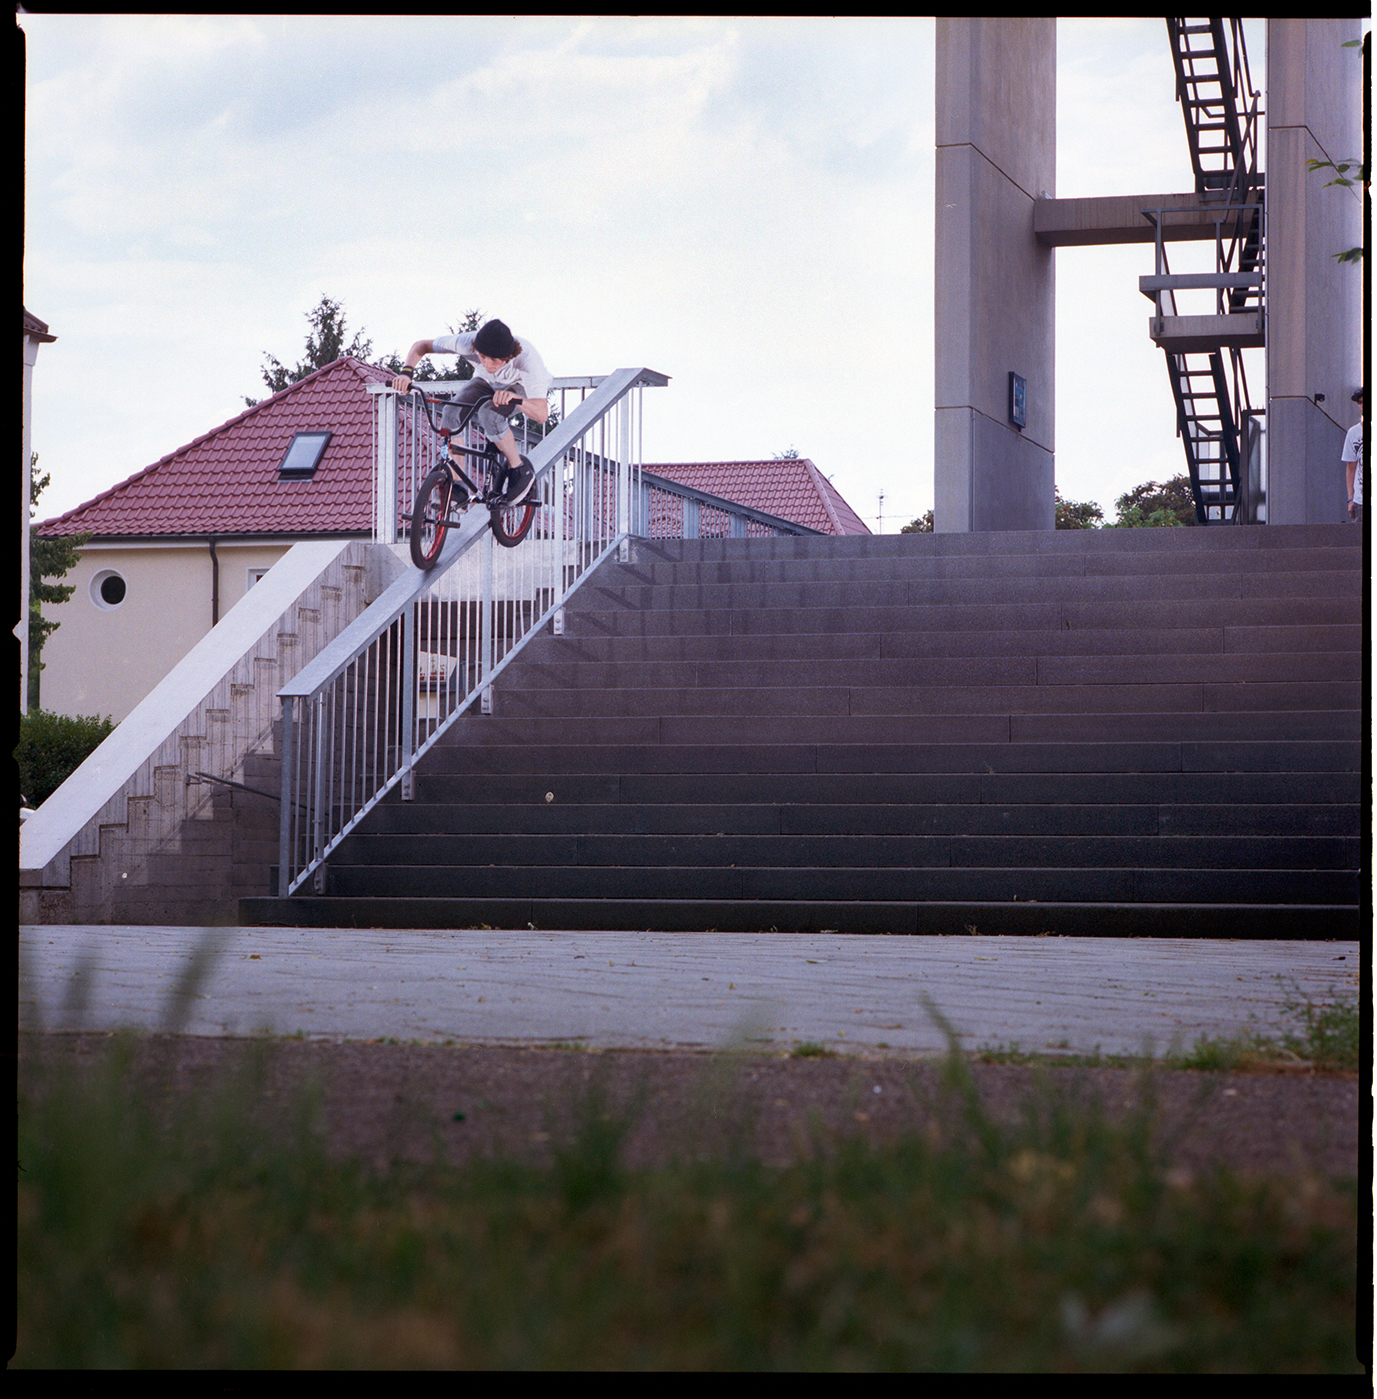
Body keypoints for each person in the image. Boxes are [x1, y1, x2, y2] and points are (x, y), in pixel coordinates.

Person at [391, 319, 550, 506]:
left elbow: (541, 415)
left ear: (508, 357)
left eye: (495, 361)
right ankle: (458, 487)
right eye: (483, 358)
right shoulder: (466, 343)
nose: (488, 364)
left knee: (489, 415)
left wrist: (515, 398)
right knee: (450, 412)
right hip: (485, 382)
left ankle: (519, 468)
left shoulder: (527, 361)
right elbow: (421, 346)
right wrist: (406, 372)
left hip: (519, 387)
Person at [1341, 387, 1364, 522]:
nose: (1362, 405)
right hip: (1360, 501)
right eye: (1360, 402)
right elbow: (1351, 467)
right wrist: (1350, 499)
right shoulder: (1353, 433)